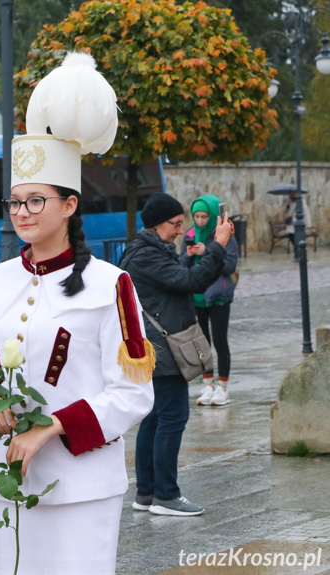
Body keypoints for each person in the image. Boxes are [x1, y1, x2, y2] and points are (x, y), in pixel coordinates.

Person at [0, 53, 155, 575]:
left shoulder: (111, 285)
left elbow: (134, 393)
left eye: (36, 201)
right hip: (12, 482)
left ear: (70, 205)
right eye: (14, 203)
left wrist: (49, 425)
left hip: (83, 486)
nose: (22, 213)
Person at [120, 192, 233, 517]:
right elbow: (193, 282)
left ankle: (147, 493)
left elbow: (175, 279)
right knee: (171, 418)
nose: (179, 230)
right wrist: (218, 246)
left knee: (154, 420)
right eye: (175, 224)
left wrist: (191, 254)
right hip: (162, 348)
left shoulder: (147, 250)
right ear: (157, 224)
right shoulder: (145, 255)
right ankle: (166, 495)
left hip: (155, 345)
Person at [180, 195, 238, 406]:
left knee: (220, 341)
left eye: (205, 216)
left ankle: (222, 387)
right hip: (196, 296)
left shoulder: (224, 234)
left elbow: (230, 266)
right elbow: (181, 265)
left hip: (219, 296)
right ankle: (207, 385)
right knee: (202, 343)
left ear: (213, 216)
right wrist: (188, 254)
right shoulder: (190, 234)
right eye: (197, 216)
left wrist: (209, 252)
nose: (201, 220)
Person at [285, 188, 312, 254]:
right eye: (291, 194)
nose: (291, 195)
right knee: (291, 236)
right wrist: (287, 204)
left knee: (298, 239)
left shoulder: (301, 201)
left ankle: (299, 253)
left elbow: (306, 212)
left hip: (298, 224)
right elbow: (285, 210)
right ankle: (297, 251)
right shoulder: (290, 202)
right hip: (291, 224)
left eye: (293, 193)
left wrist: (308, 224)